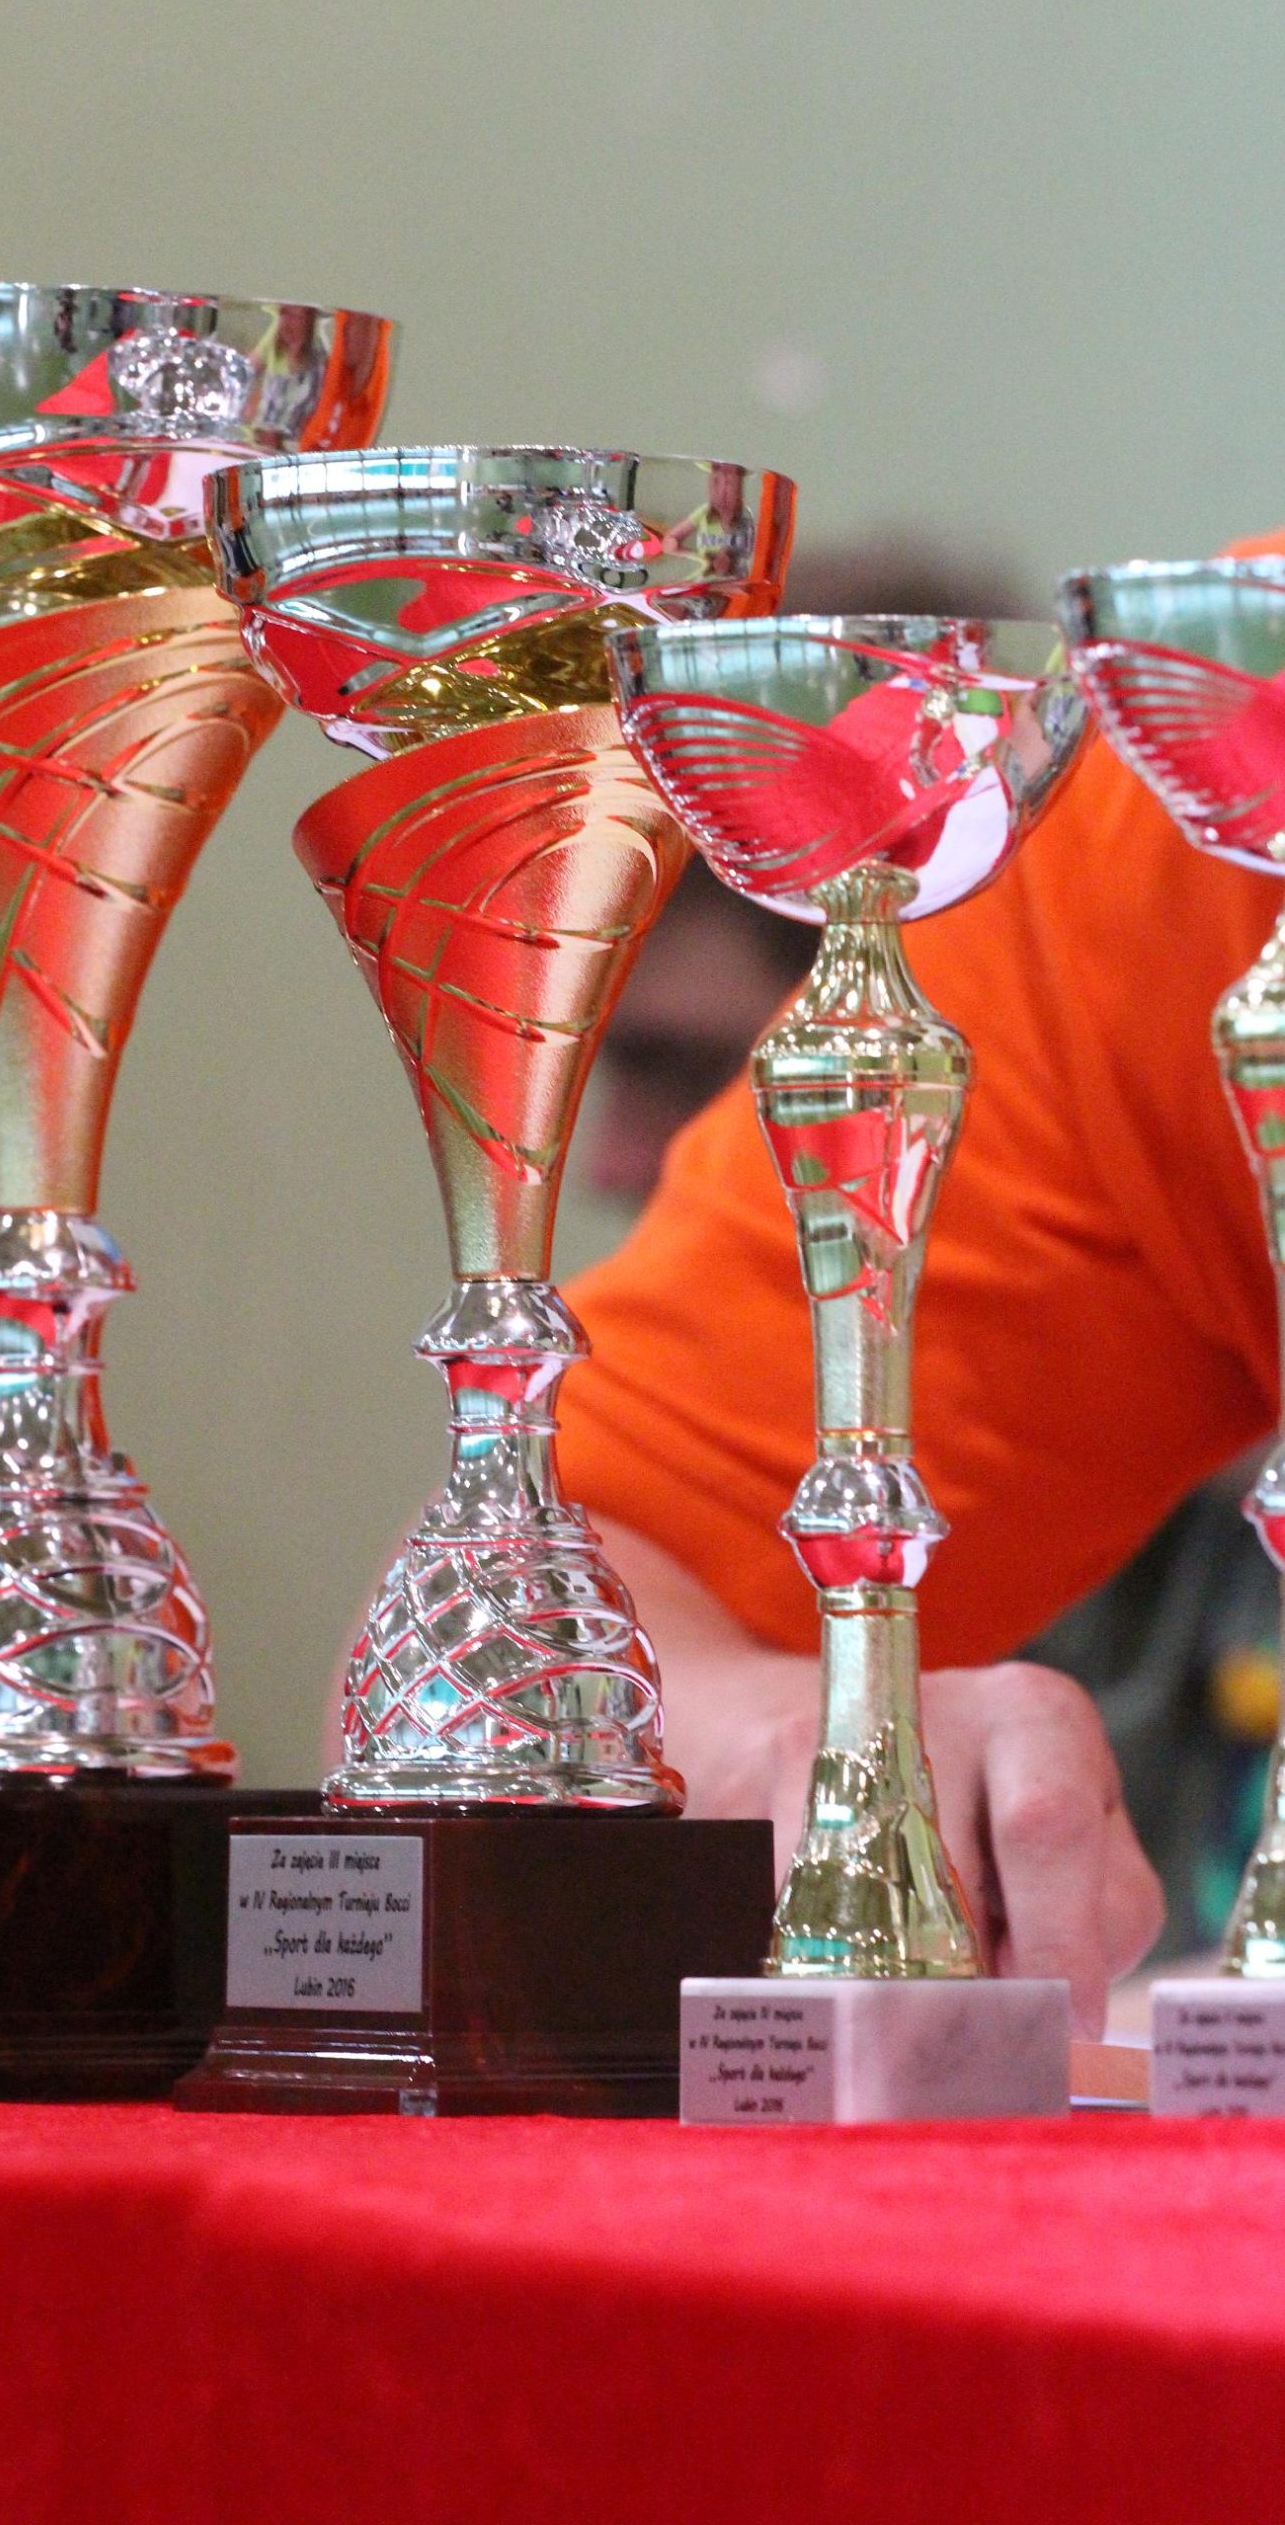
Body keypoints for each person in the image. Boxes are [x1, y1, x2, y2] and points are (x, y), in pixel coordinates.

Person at [558, 525, 1285, 2032]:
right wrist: (788, 1743)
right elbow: (539, 1620)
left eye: (675, 1068)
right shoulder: (1211, 775)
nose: (612, 1158)